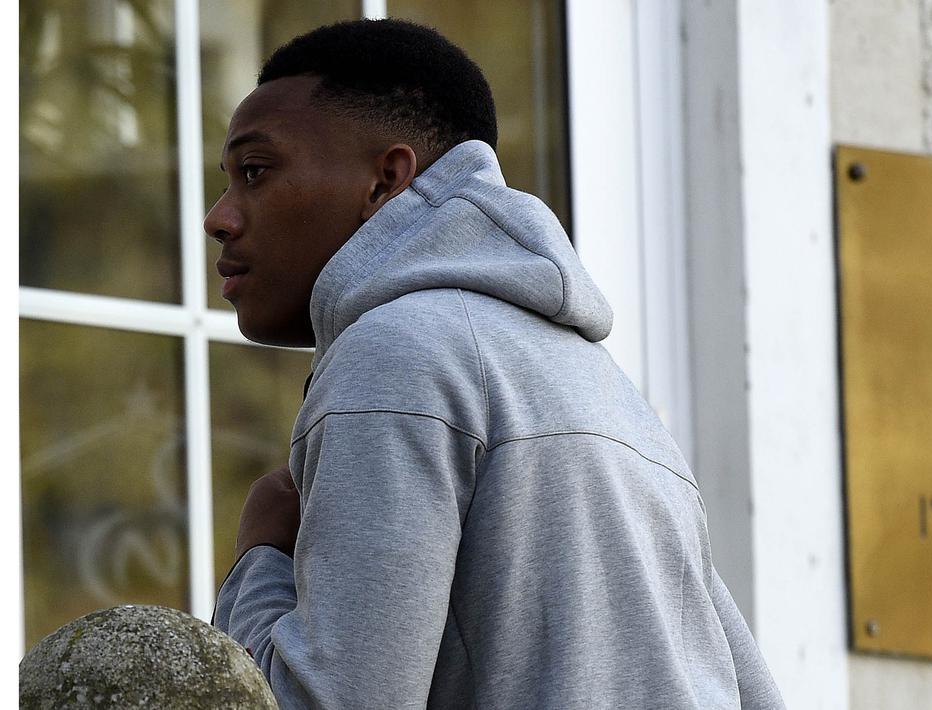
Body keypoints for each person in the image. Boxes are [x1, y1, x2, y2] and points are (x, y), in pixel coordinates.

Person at [209, 18, 784, 709]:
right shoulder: (603, 388)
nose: (219, 216)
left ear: (385, 180)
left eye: (254, 172)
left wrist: (259, 559)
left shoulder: (397, 354)